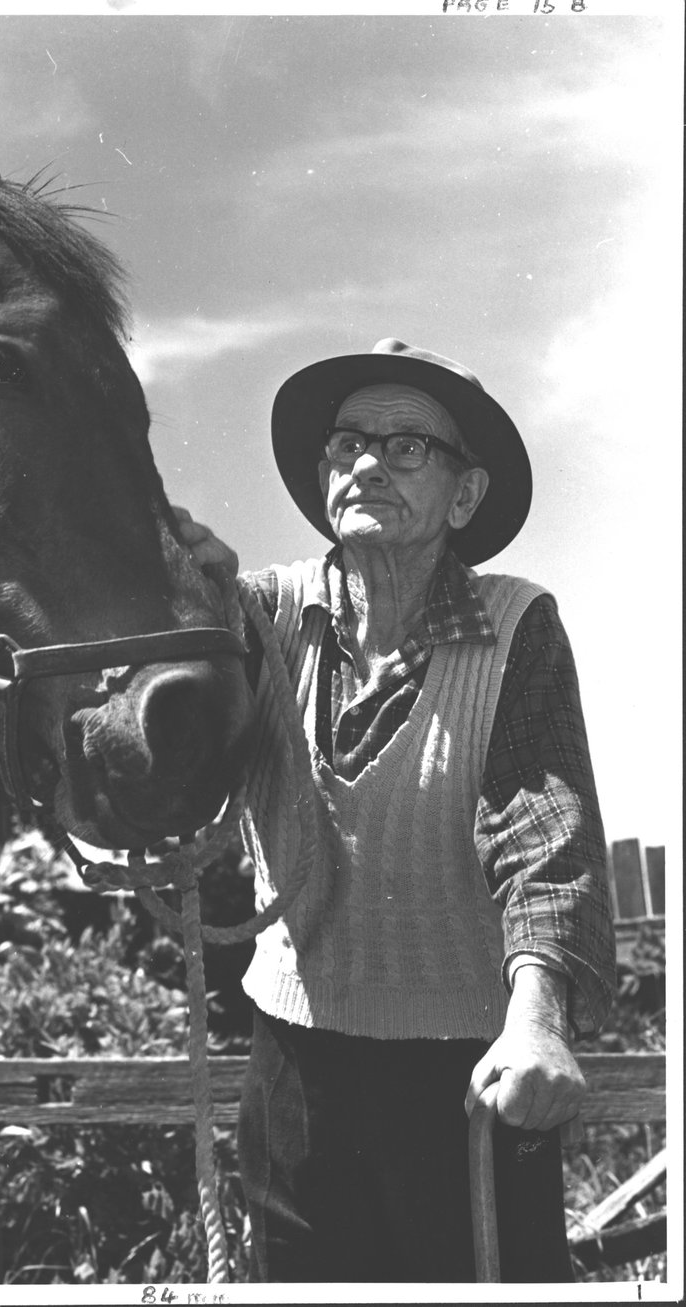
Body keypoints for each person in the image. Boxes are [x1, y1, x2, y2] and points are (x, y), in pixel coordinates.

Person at [176, 338, 616, 1283]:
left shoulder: (515, 625)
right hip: (291, 1068)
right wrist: (177, 599)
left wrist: (538, 1018)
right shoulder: (262, 613)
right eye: (347, 444)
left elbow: (544, 834)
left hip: (465, 1077)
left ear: (464, 496)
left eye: (408, 445)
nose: (367, 461)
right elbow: (175, 746)